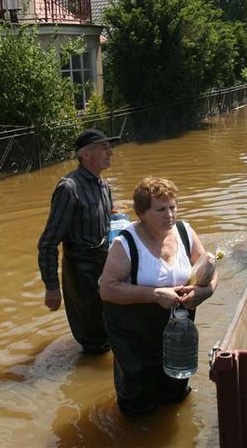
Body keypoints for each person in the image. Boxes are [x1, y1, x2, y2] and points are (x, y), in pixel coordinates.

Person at [99, 177, 218, 416]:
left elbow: (209, 268)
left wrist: (206, 291)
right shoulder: (126, 243)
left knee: (176, 391)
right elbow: (107, 289)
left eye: (173, 207)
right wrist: (154, 294)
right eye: (161, 209)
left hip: (177, 328)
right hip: (133, 332)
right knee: (138, 400)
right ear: (142, 213)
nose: (170, 215)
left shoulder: (185, 232)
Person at [37, 128, 118, 355]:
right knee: (93, 339)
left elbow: (107, 219)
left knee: (110, 329)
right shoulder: (69, 189)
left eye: (110, 147)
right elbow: (48, 242)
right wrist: (51, 287)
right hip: (82, 273)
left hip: (105, 265)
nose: (110, 152)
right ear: (86, 155)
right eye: (104, 147)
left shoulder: (103, 185)